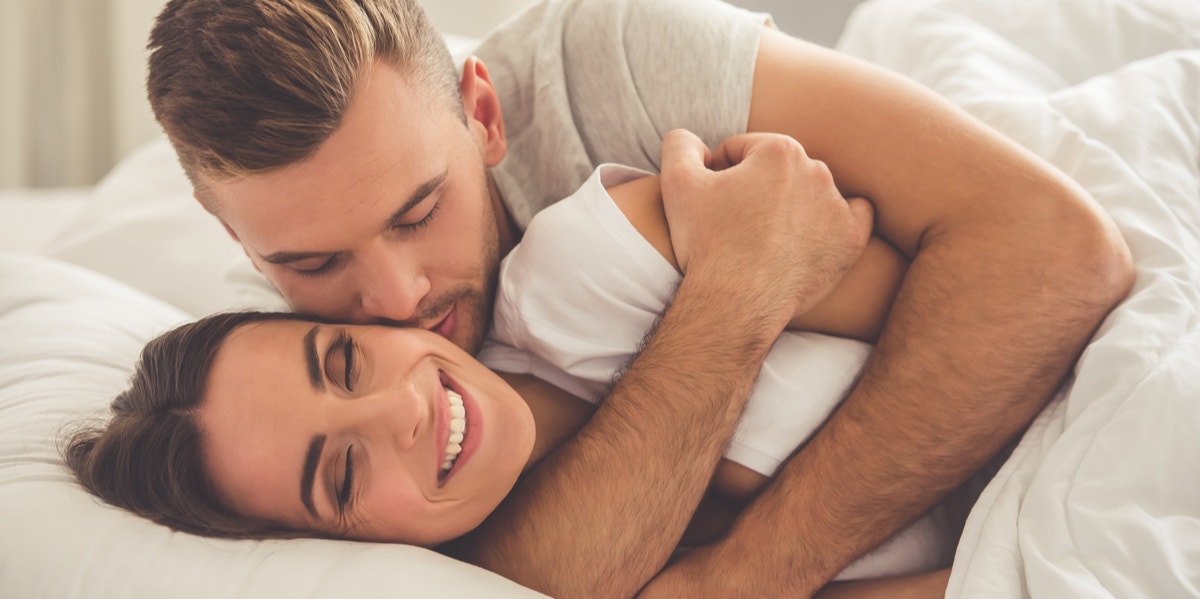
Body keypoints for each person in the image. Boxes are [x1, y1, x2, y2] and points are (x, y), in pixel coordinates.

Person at [144, 0, 1133, 596]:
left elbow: (1055, 251)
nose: (394, 299)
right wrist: (740, 290)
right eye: (314, 263)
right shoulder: (267, 377)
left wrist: (753, 572)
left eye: (417, 211)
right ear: (235, 233)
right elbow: (526, 576)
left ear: (483, 114)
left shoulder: (611, 66)